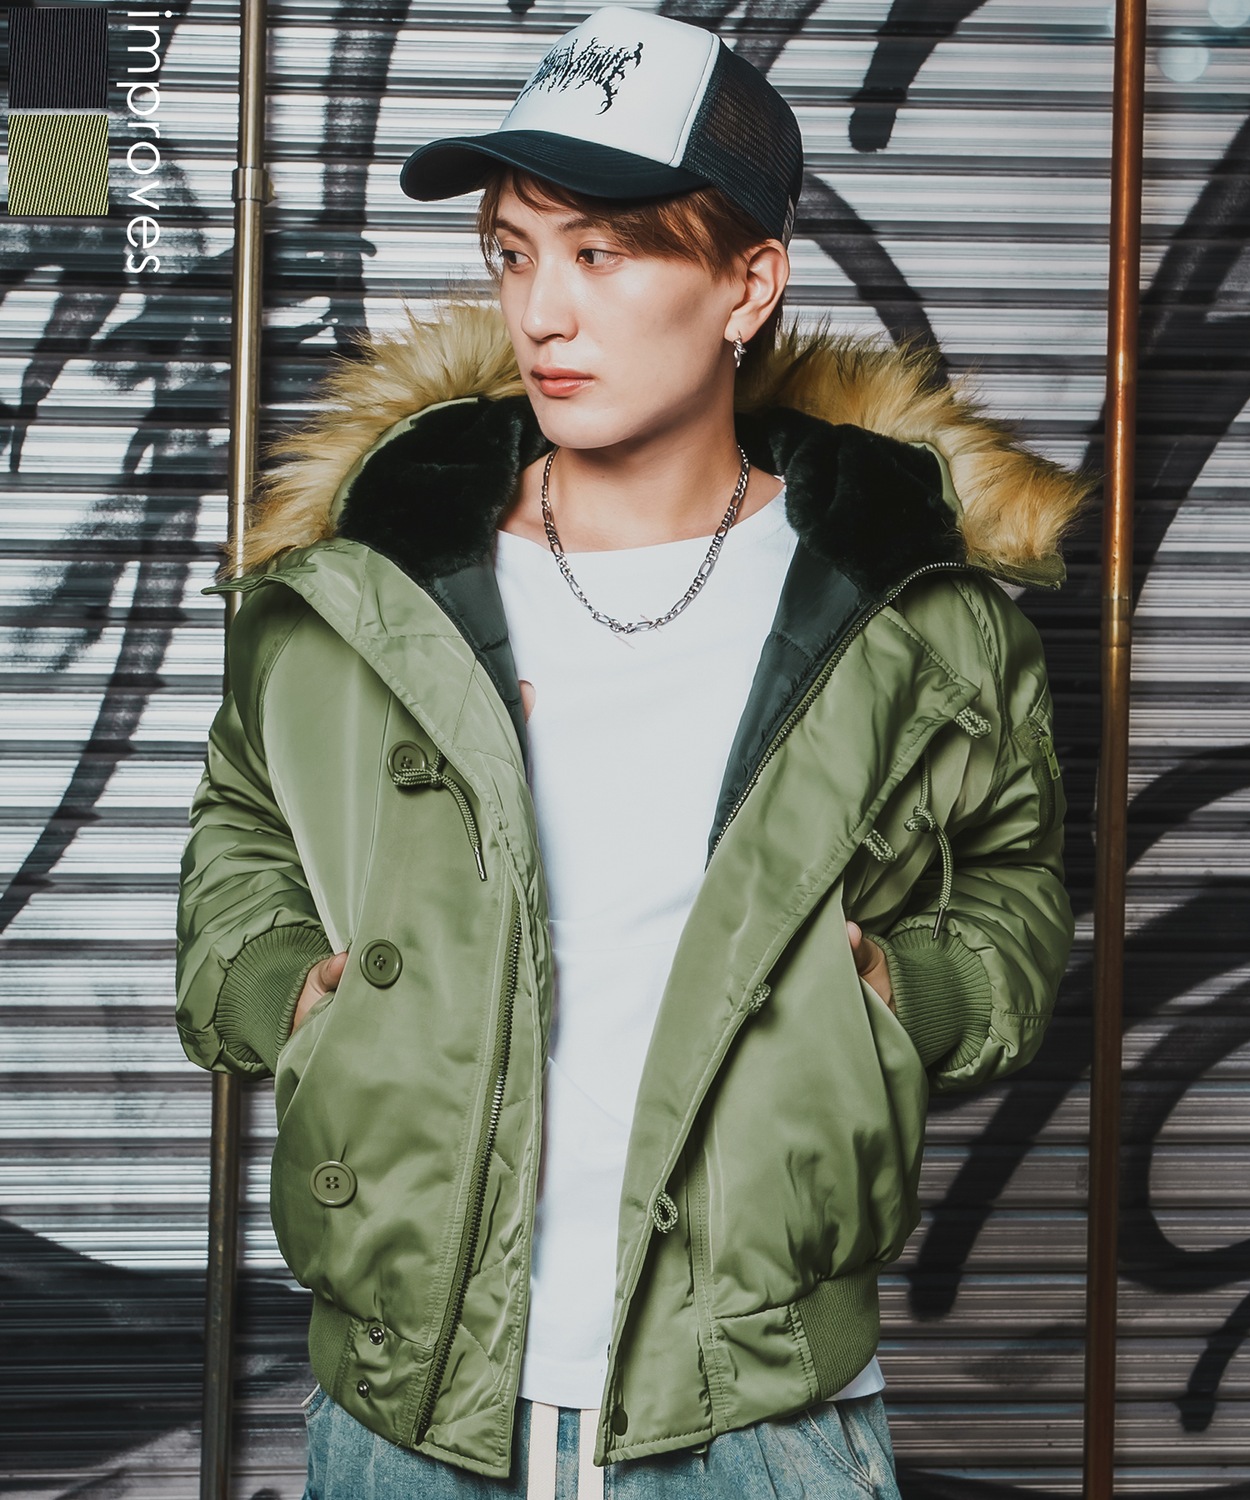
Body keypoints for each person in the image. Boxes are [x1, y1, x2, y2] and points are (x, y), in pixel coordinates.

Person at [175, 8, 1080, 1497]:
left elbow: (1012, 888)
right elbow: (243, 826)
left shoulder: (908, 615)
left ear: (747, 287)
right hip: (407, 1410)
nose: (542, 312)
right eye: (513, 253)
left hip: (754, 1416)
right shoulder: (365, 588)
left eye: (601, 254)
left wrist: (893, 996)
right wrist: (290, 992)